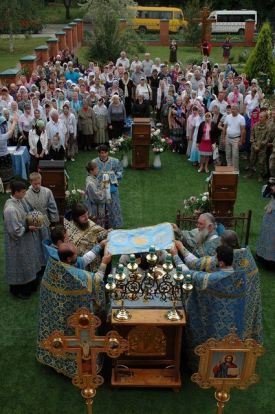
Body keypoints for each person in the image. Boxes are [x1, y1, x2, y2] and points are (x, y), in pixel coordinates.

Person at [173, 230, 263, 343]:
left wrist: (177, 253)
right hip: (243, 303)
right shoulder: (248, 257)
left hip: (218, 309)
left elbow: (194, 265)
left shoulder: (216, 269)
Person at [37, 242, 110, 377]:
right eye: (76, 254)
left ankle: (56, 357)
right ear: (70, 259)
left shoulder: (53, 264)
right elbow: (97, 280)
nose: (78, 256)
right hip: (74, 311)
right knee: (78, 334)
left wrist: (99, 246)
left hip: (57, 310)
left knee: (60, 332)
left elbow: (83, 260)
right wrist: (104, 262)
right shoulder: (75, 275)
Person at [180, 245, 246, 370]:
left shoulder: (214, 279)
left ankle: (200, 367)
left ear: (221, 263)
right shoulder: (240, 277)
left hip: (214, 324)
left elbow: (188, 274)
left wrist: (175, 256)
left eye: (215, 258)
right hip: (234, 326)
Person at [3, 180, 41, 299]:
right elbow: (15, 230)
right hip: (17, 243)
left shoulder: (19, 201)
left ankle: (30, 284)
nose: (25, 194)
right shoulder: (10, 209)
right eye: (23, 192)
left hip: (25, 240)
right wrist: (28, 228)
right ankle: (21, 290)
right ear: (16, 192)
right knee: (21, 264)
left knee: (28, 261)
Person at [25, 172, 59, 267]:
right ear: (31, 182)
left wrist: (53, 223)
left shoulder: (47, 191)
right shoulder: (26, 194)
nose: (37, 186)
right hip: (33, 222)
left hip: (45, 221)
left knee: (46, 242)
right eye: (35, 184)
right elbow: (26, 210)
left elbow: (52, 207)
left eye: (39, 183)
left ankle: (48, 263)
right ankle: (37, 264)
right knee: (35, 244)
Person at [64, 203, 108, 271]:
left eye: (87, 214)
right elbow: (74, 251)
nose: (87, 217)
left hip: (95, 260)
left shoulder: (88, 222)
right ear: (76, 218)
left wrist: (107, 233)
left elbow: (98, 234)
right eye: (83, 216)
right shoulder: (70, 230)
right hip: (83, 265)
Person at [93, 144, 123, 228]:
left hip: (112, 189)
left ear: (107, 152)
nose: (103, 155)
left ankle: (114, 225)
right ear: (99, 153)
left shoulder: (115, 161)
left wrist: (112, 177)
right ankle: (100, 226)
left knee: (113, 207)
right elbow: (90, 175)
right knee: (100, 208)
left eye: (104, 153)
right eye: (101, 153)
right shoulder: (94, 162)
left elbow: (120, 173)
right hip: (99, 189)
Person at [245, 111, 270, 182]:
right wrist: (254, 145)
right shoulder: (255, 125)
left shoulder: (268, 128)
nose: (260, 118)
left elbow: (267, 139)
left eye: (262, 117)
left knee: (261, 162)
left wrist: (259, 146)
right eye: (260, 117)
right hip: (254, 147)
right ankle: (250, 174)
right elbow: (251, 137)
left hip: (262, 148)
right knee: (252, 161)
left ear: (266, 118)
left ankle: (260, 176)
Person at [256, 179, 275, 268]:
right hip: (270, 214)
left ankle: (271, 262)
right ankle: (262, 257)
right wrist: (269, 186)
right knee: (266, 233)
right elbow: (264, 195)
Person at [222, 103, 246, 172]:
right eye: (232, 109)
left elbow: (243, 130)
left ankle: (235, 170)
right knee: (228, 154)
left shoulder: (241, 118)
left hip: (236, 139)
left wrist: (241, 141)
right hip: (228, 138)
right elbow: (224, 128)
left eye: (234, 109)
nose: (232, 110)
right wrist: (223, 138)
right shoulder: (228, 117)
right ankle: (229, 168)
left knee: (235, 155)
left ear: (237, 110)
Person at [0, 115, 18, 190]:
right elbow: (10, 133)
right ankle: (7, 188)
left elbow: (8, 132)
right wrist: (14, 122)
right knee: (7, 172)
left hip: (3, 155)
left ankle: (3, 187)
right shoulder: (1, 136)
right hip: (4, 156)